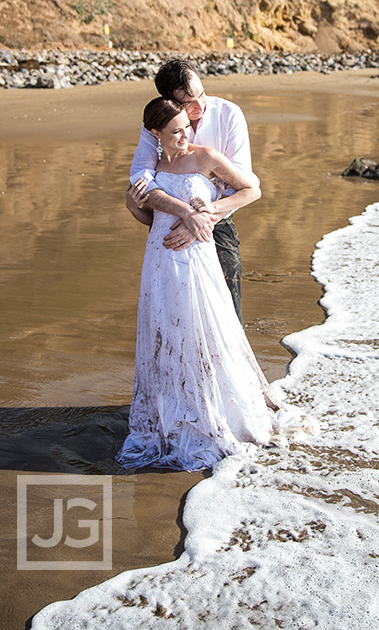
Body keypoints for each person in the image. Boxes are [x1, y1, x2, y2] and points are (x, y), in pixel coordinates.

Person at [118, 98, 304, 471]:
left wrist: (208, 213)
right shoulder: (150, 166)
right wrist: (133, 206)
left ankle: (213, 412)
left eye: (187, 127)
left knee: (204, 331)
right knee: (166, 334)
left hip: (196, 260)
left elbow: (252, 189)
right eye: (175, 131)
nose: (185, 136)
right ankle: (171, 414)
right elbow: (149, 216)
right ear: (155, 134)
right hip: (158, 260)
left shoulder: (206, 157)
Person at [129, 59, 250, 324]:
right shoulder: (159, 122)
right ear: (169, 101)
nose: (200, 106)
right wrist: (182, 213)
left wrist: (198, 220)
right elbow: (141, 177)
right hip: (168, 231)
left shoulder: (229, 114)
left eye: (202, 94)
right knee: (173, 317)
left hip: (216, 227)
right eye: (188, 102)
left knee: (227, 315)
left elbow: (241, 181)